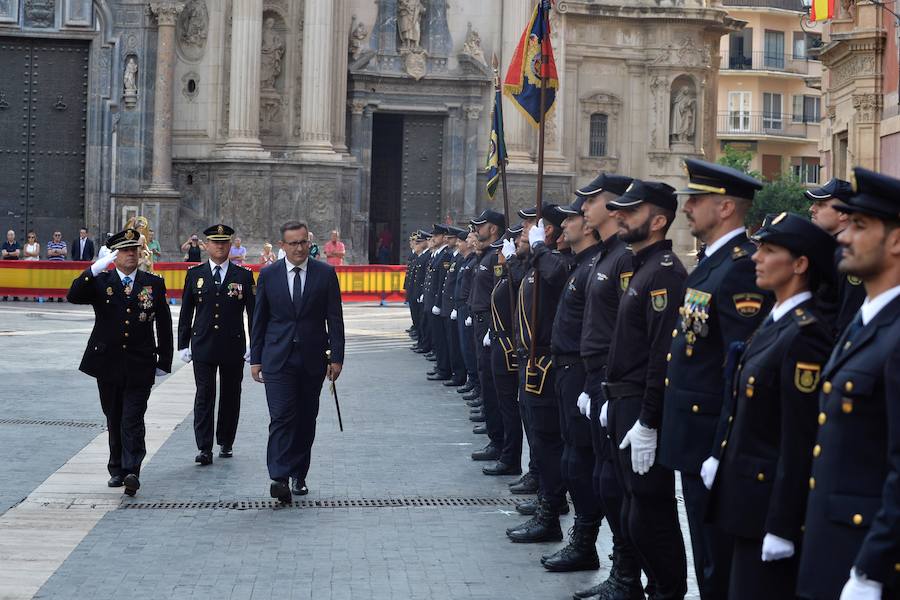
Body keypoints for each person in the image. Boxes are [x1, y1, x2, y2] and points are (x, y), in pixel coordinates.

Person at [703, 213, 835, 599]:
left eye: (769, 250)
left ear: (800, 265)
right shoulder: (776, 321)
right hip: (746, 505)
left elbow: (799, 439)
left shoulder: (805, 336)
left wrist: (782, 524)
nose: (756, 257)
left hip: (767, 511)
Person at [658, 158, 770, 600]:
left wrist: (723, 447)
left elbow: (739, 367)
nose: (686, 208)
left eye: (696, 200)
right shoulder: (714, 262)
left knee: (717, 562)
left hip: (711, 437)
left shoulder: (740, 267)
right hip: (693, 435)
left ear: (725, 208)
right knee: (706, 555)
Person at [797, 167, 900, 600]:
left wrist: (872, 568)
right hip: (834, 546)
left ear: (896, 241)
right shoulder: (865, 322)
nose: (844, 237)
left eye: (859, 226)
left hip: (868, 558)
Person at [604, 180, 689, 599]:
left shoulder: (664, 273)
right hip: (624, 399)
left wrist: (648, 421)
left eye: (631, 211)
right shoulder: (642, 266)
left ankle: (666, 592)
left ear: (657, 221)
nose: (620, 216)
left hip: (640, 402)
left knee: (651, 514)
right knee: (634, 509)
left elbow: (661, 356)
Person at [572, 173, 645, 600]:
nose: (583, 208)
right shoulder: (604, 255)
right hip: (595, 378)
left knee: (617, 484)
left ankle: (628, 572)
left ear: (614, 206)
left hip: (614, 381)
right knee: (602, 477)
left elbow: (626, 328)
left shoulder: (622, 258)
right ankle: (621, 568)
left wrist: (607, 381)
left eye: (591, 200)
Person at [66, 228, 173, 497]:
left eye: (134, 249)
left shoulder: (152, 283)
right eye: (125, 250)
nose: (131, 254)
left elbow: (163, 323)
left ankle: (132, 469)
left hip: (140, 361)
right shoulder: (102, 281)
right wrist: (94, 269)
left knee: (132, 417)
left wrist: (164, 359)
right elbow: (73, 295)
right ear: (115, 255)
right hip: (108, 362)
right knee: (113, 416)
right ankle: (116, 468)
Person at [250, 220, 345, 504]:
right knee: (281, 416)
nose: (299, 248)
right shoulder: (269, 275)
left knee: (305, 418)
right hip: (277, 358)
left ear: (309, 243)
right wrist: (256, 358)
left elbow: (335, 319)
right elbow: (259, 319)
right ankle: (279, 476)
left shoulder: (325, 274)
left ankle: (298, 473)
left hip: (313, 358)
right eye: (293, 243)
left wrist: (337, 358)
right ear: (283, 245)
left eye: (303, 242)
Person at [542, 195, 605, 572]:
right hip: (566, 370)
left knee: (581, 462)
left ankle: (585, 543)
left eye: (572, 218)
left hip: (582, 372)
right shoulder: (582, 265)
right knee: (571, 457)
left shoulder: (594, 265)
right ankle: (582, 540)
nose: (564, 225)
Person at [505, 204, 570, 544]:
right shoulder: (538, 261)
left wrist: (539, 248)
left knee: (547, 441)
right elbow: (521, 279)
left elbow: (557, 274)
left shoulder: (558, 261)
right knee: (539, 439)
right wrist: (519, 256)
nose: (523, 232)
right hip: (529, 363)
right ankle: (547, 499)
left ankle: (551, 510)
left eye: (530, 226)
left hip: (545, 365)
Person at [178, 224, 256, 466]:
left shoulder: (243, 275)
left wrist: (255, 344)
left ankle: (226, 440)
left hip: (233, 344)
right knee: (204, 395)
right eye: (215, 242)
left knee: (231, 394)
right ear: (206, 245)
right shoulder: (195, 274)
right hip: (203, 343)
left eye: (224, 242)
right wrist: (183, 344)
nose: (220, 246)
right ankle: (204, 447)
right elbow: (186, 311)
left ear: (230, 245)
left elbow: (253, 313)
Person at [485, 223, 526, 478]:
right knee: (503, 404)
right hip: (499, 343)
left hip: (508, 346)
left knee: (510, 407)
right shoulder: (504, 277)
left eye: (501, 249)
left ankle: (511, 458)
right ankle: (506, 453)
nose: (498, 254)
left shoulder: (514, 276)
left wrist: (513, 261)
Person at [467, 209, 506, 464]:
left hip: (489, 324)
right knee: (486, 380)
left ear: (492, 229)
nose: (476, 231)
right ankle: (495, 439)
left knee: (493, 386)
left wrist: (493, 326)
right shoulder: (486, 254)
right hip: (480, 322)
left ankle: (500, 444)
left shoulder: (496, 256)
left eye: (480, 226)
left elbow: (499, 294)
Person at [807, 177, 867, 337]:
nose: (812, 209)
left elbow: (849, 315)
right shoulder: (829, 248)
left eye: (821, 204)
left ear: (843, 213)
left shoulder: (850, 252)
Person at [423, 224, 453, 381]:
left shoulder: (445, 256)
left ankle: (444, 369)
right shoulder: (437, 255)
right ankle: (440, 366)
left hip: (438, 303)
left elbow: (442, 283)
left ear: (444, 237)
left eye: (436, 236)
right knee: (437, 337)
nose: (433, 238)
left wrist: (438, 303)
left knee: (441, 339)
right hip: (432, 302)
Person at [2, 230, 21, 301]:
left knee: (15, 280)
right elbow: (3, 254)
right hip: (6, 265)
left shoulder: (17, 244)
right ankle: (5, 296)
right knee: (6, 280)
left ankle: (15, 296)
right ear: (7, 236)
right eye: (9, 235)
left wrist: (8, 253)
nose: (11, 236)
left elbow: (17, 253)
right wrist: (13, 253)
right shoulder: (4, 244)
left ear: (14, 236)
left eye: (12, 235)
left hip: (15, 265)